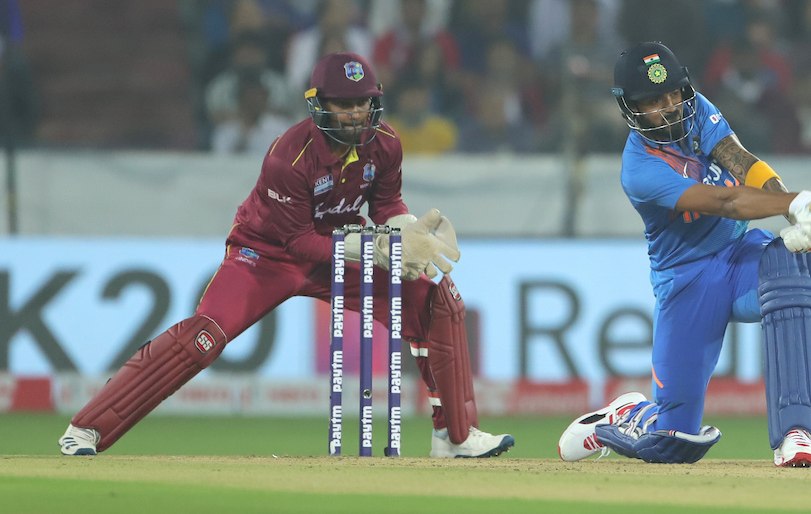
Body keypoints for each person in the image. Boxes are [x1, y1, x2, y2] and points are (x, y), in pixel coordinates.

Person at [59, 52, 514, 459]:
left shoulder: (385, 143)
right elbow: (299, 243)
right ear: (319, 106)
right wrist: (375, 249)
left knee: (436, 298)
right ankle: (87, 428)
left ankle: (454, 436)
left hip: (337, 250)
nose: (357, 114)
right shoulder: (289, 158)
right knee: (204, 337)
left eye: (363, 103)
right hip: (266, 255)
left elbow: (385, 204)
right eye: (344, 105)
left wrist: (409, 230)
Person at [557, 42, 811, 467]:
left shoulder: (698, 110)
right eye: (654, 102)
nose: (670, 107)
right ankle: (630, 413)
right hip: (687, 280)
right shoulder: (639, 169)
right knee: (671, 442)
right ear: (630, 109)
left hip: (739, 254)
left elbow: (743, 163)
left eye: (673, 94)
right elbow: (725, 202)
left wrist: (799, 215)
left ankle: (796, 432)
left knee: (792, 270)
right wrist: (797, 203)